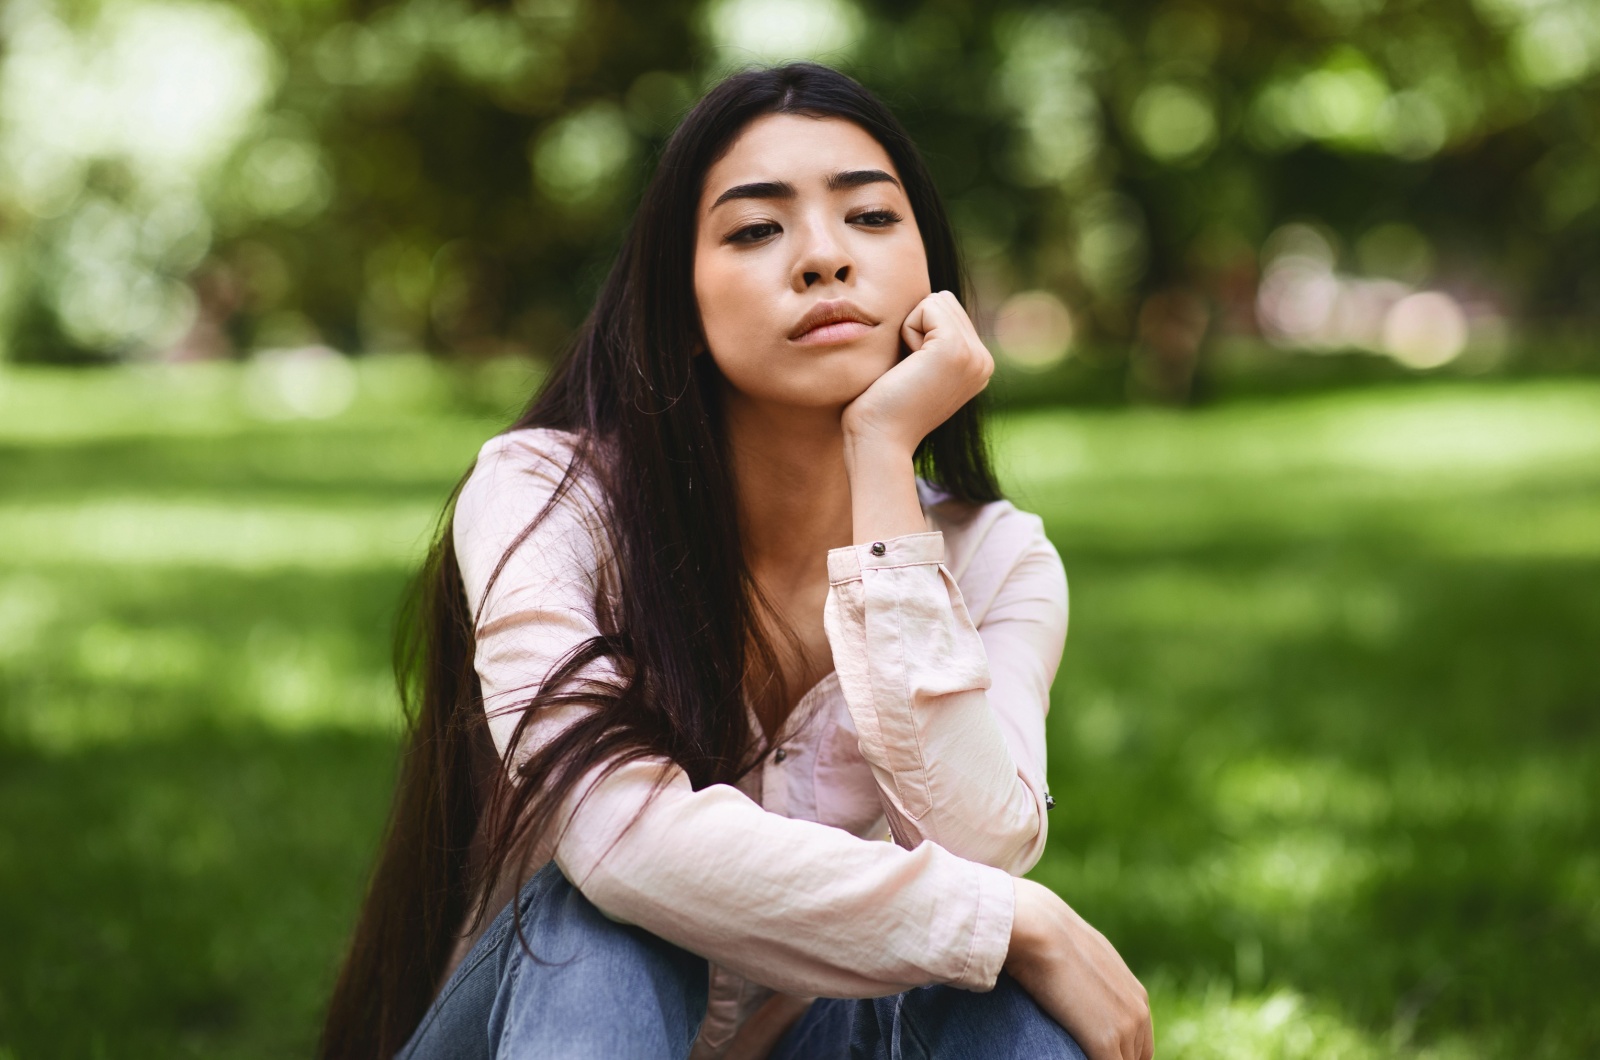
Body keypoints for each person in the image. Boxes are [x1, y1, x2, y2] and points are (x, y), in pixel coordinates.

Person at [319, 62, 1154, 1060]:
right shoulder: (545, 497)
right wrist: (1013, 919)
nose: (821, 258)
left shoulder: (998, 556)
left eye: (871, 218)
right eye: (757, 229)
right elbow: (619, 843)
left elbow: (977, 845)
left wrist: (882, 457)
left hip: (812, 1036)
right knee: (605, 921)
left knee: (1001, 1000)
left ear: (928, 271)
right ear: (679, 294)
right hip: (556, 1021)